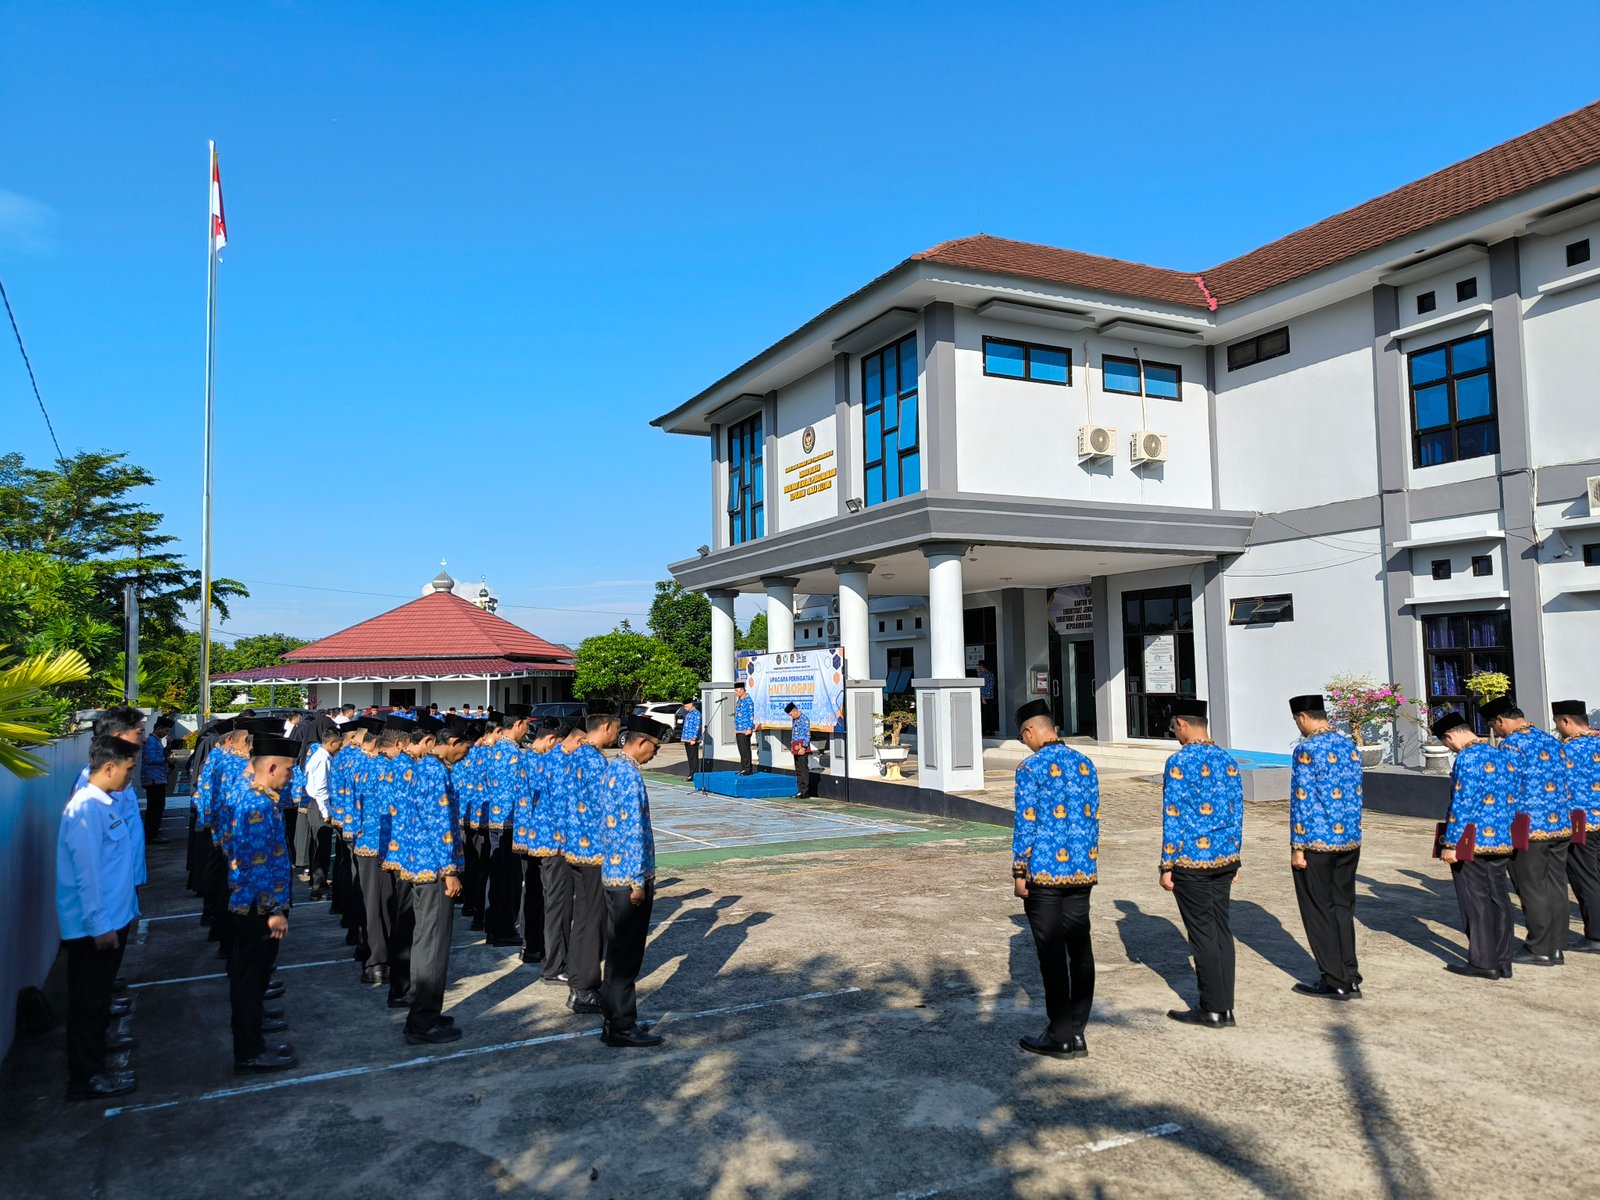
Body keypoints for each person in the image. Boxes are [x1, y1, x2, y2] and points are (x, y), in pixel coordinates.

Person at [1010, 699, 1098, 1061]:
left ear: (1030, 731)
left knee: (1051, 955)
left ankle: (1059, 1034)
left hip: (1044, 873)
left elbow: (1026, 821)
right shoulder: (1085, 763)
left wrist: (1019, 869)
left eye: (1023, 738)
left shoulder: (1030, 768)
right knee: (1080, 949)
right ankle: (1076, 1031)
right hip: (1081, 870)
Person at [57, 735, 143, 1101]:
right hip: (97, 927)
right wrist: (99, 925)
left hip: (112, 919)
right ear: (109, 767)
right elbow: (86, 875)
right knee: (88, 1004)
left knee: (98, 1001)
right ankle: (85, 1078)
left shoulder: (103, 804)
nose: (130, 778)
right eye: (127, 770)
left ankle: (95, 1069)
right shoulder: (86, 810)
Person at [215, 733, 299, 1071]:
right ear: (273, 767)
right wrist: (274, 909)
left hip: (252, 904)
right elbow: (254, 861)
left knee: (251, 978)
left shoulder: (257, 796)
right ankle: (249, 1053)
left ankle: (253, 1044)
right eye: (290, 770)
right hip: (258, 909)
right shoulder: (257, 804)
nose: (292, 777)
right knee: (251, 980)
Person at [1160, 699, 1244, 1028]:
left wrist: (1167, 864)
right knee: (1221, 930)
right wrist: (1235, 857)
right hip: (1223, 857)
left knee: (1203, 934)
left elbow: (1174, 815)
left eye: (1173, 728)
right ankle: (1224, 1007)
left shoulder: (1179, 761)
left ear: (1180, 723)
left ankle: (1211, 1008)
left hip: (1191, 860)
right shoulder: (1228, 760)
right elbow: (1237, 813)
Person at [1286, 693, 1365, 999]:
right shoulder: (1348, 745)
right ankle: (1350, 972)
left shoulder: (1306, 749)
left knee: (1318, 910)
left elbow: (1301, 799)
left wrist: (1297, 845)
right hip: (1349, 839)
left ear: (1303, 717)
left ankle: (1336, 980)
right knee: (1343, 907)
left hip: (1316, 842)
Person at [1483, 696, 1572, 964]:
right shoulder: (1551, 740)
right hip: (1560, 823)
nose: (1496, 731)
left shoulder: (1511, 745)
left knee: (1532, 887)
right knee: (1556, 885)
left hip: (1528, 827)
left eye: (1493, 725)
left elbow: (1504, 787)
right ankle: (1556, 946)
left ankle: (1539, 948)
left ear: (1500, 720)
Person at [597, 715, 669, 1047]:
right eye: (654, 747)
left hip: (614, 873)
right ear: (641, 742)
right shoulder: (627, 776)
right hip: (628, 879)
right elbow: (630, 833)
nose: (654, 753)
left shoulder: (615, 769)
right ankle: (622, 1025)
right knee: (626, 957)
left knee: (617, 954)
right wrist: (637, 881)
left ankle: (614, 1020)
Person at [1433, 712, 1518, 979]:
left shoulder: (1467, 758)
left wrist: (1450, 843)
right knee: (1499, 900)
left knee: (1475, 902)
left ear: (1449, 736)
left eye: (1447, 744)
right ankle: (1503, 961)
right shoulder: (1501, 755)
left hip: (1471, 842)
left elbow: (1462, 804)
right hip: (1502, 838)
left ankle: (1483, 962)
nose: (1450, 748)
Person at [565, 712, 620, 1015]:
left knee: (584, 918)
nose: (617, 735)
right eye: (616, 729)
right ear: (607, 727)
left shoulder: (574, 756)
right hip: (594, 850)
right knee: (593, 920)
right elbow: (606, 808)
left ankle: (579, 981)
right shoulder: (596, 761)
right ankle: (585, 987)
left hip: (575, 846)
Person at [352, 716, 411, 986]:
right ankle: (377, 962)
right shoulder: (391, 768)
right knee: (381, 905)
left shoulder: (363, 764)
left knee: (373, 903)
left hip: (368, 842)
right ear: (398, 743)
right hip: (382, 845)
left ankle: (371, 954)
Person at [535, 720, 586, 986]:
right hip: (557, 846)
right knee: (558, 907)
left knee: (558, 906)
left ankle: (555, 961)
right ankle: (554, 966)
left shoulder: (551, 759)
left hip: (555, 843)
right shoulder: (559, 763)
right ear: (577, 741)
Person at [483, 704, 534, 948]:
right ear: (518, 724)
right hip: (510, 823)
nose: (527, 730)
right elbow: (521, 793)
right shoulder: (513, 753)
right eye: (526, 724)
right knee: (510, 881)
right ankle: (504, 929)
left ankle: (493, 927)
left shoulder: (494, 749)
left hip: (495, 819)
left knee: (497, 877)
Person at [511, 718, 561, 967]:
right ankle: (539, 946)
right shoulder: (542, 763)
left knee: (529, 891)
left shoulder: (524, 759)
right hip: (542, 836)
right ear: (551, 739)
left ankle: (528, 945)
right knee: (544, 895)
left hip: (524, 835)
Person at [1554, 699, 1600, 951]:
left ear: (1565, 721)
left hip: (1581, 821)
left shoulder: (1566, 750)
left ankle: (1595, 935)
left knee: (1586, 878)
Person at [302, 725, 342, 901]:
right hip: (319, 805)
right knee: (322, 847)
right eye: (338, 744)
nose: (339, 748)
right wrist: (326, 811)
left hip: (316, 805)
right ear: (331, 743)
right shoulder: (323, 759)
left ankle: (317, 881)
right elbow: (321, 788)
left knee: (318, 846)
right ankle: (319, 886)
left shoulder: (320, 756)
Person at [140, 715, 173, 846]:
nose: (166, 734)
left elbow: (161, 755)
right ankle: (151, 835)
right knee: (155, 808)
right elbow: (151, 759)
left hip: (158, 778)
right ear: (159, 728)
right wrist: (167, 760)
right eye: (165, 731)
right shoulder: (151, 742)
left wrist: (169, 746)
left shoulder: (157, 741)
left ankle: (152, 834)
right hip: (153, 779)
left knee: (158, 807)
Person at [786, 702, 811, 798]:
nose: (791, 717)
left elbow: (807, 734)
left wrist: (804, 747)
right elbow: (794, 734)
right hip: (795, 746)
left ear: (795, 711)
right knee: (798, 769)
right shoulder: (795, 720)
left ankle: (805, 791)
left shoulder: (804, 719)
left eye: (791, 714)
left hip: (802, 747)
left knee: (803, 768)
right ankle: (800, 789)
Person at [732, 682, 755, 775]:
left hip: (745, 729)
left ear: (742, 690)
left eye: (737, 691)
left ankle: (747, 769)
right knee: (741, 750)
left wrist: (749, 728)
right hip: (739, 729)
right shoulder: (740, 700)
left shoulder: (748, 700)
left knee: (745, 749)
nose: (736, 693)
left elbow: (751, 715)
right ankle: (743, 768)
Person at [680, 698, 703, 789]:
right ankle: (691, 774)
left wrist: (693, 738)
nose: (685, 708)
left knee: (693, 758)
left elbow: (697, 727)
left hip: (692, 740)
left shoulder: (696, 714)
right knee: (690, 758)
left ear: (690, 705)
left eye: (686, 706)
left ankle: (694, 775)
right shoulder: (689, 714)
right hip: (687, 739)